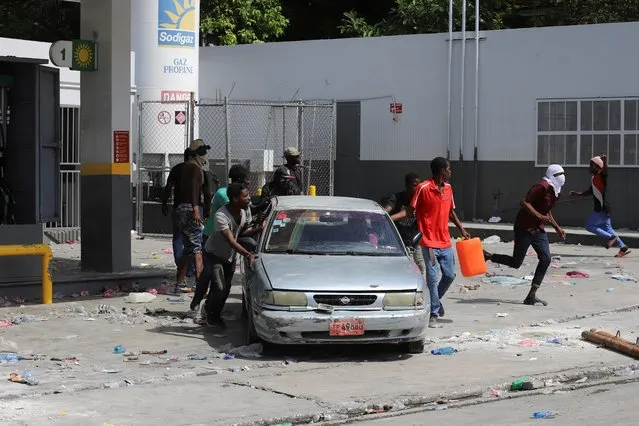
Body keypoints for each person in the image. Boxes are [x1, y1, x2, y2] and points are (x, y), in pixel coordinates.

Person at [391, 157, 471, 329]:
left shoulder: (449, 189)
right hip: (428, 241)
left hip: (445, 241)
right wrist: (388, 220)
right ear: (442, 171)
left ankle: (433, 301)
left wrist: (462, 229)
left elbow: (450, 212)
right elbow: (409, 212)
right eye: (449, 169)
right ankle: (433, 313)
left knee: (450, 275)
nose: (451, 172)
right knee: (433, 278)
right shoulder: (423, 188)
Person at [484, 164, 567, 307]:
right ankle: (488, 256)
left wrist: (557, 227)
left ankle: (531, 295)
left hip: (538, 229)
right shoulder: (542, 186)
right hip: (525, 226)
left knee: (546, 258)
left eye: (563, 173)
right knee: (516, 262)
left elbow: (546, 210)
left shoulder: (555, 191)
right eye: (559, 174)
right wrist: (539, 216)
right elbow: (524, 202)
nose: (562, 177)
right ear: (552, 175)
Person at [191, 183, 263, 328]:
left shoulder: (245, 210)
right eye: (245, 196)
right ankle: (212, 316)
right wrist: (248, 255)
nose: (249, 199)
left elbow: (242, 232)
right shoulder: (221, 215)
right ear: (235, 199)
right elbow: (231, 240)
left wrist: (259, 228)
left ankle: (212, 310)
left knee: (226, 288)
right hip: (214, 253)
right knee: (219, 285)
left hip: (230, 255)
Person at [570, 155, 630, 258]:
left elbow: (605, 171)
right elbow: (589, 191)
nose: (589, 167)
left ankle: (610, 237)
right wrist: (577, 194)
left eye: (591, 165)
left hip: (601, 208)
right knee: (608, 228)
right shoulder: (594, 178)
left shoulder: (601, 176)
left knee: (589, 226)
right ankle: (623, 247)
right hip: (605, 208)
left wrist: (605, 162)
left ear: (597, 166)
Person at [174, 139, 212, 290]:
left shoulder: (184, 168)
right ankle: (200, 284)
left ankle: (179, 282)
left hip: (181, 211)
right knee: (197, 248)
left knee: (188, 248)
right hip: (191, 210)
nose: (205, 156)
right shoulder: (196, 169)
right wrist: (196, 209)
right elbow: (195, 190)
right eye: (203, 152)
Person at [161, 148, 197, 279]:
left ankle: (180, 265)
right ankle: (191, 269)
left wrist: (164, 203)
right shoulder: (196, 170)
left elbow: (168, 187)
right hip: (193, 208)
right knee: (193, 240)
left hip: (178, 207)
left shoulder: (176, 169)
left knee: (178, 237)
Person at [382, 172, 425, 277]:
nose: (417, 188)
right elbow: (388, 209)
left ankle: (419, 287)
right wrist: (384, 216)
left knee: (420, 266)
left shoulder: (420, 199)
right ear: (407, 185)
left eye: (419, 186)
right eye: (414, 185)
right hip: (398, 238)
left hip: (414, 239)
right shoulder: (397, 197)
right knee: (400, 266)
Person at [202, 164, 250, 248]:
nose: (248, 182)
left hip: (226, 236)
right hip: (212, 238)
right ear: (240, 180)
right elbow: (244, 208)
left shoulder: (241, 194)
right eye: (246, 179)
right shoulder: (224, 194)